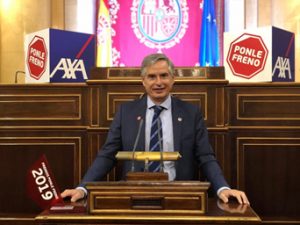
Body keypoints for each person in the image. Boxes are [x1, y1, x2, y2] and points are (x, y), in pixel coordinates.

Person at [61, 53, 250, 205]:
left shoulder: (191, 113)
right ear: (143, 81)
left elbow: (206, 157)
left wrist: (223, 188)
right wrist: (82, 188)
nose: (158, 82)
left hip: (179, 196)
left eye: (164, 76)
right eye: (152, 77)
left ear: (173, 79)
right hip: (133, 195)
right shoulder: (126, 112)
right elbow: (108, 154)